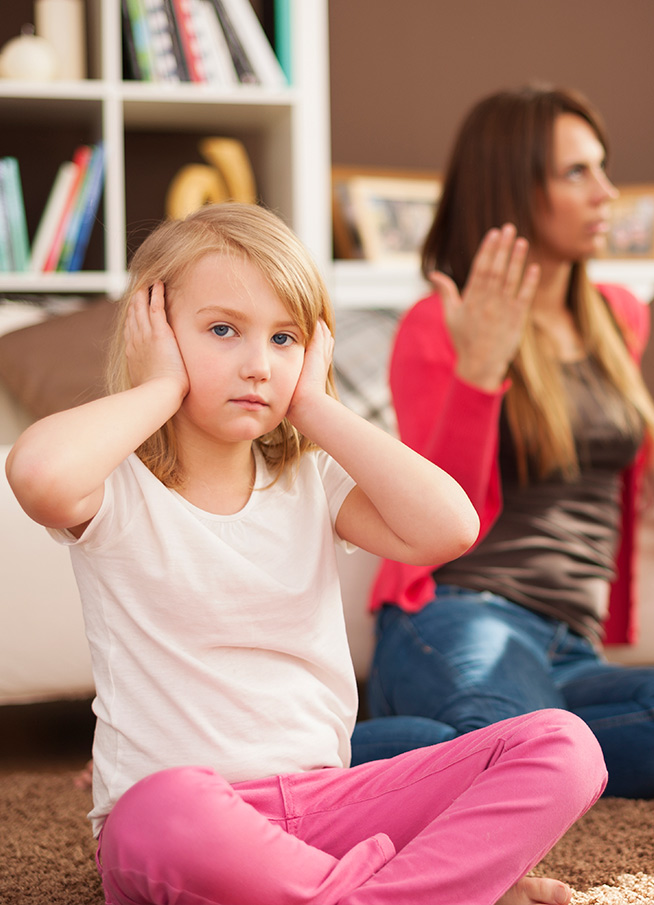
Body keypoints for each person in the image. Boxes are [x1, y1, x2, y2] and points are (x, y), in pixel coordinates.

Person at [4, 202, 608, 905]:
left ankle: (358, 894)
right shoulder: (115, 486)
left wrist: (315, 406)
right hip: (186, 819)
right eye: (222, 330)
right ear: (156, 332)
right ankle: (431, 891)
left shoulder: (310, 480)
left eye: (284, 338)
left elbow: (451, 527)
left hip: (325, 812)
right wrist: (160, 386)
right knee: (160, 807)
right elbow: (39, 476)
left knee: (565, 745)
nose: (258, 365)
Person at [350, 86, 654, 799]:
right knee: (505, 731)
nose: (607, 192)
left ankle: (500, 754)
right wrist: (480, 369)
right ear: (513, 188)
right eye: (577, 173)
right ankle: (268, 753)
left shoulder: (616, 317)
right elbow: (438, 514)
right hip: (459, 611)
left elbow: (609, 414)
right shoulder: (435, 327)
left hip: (571, 645)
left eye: (603, 167)